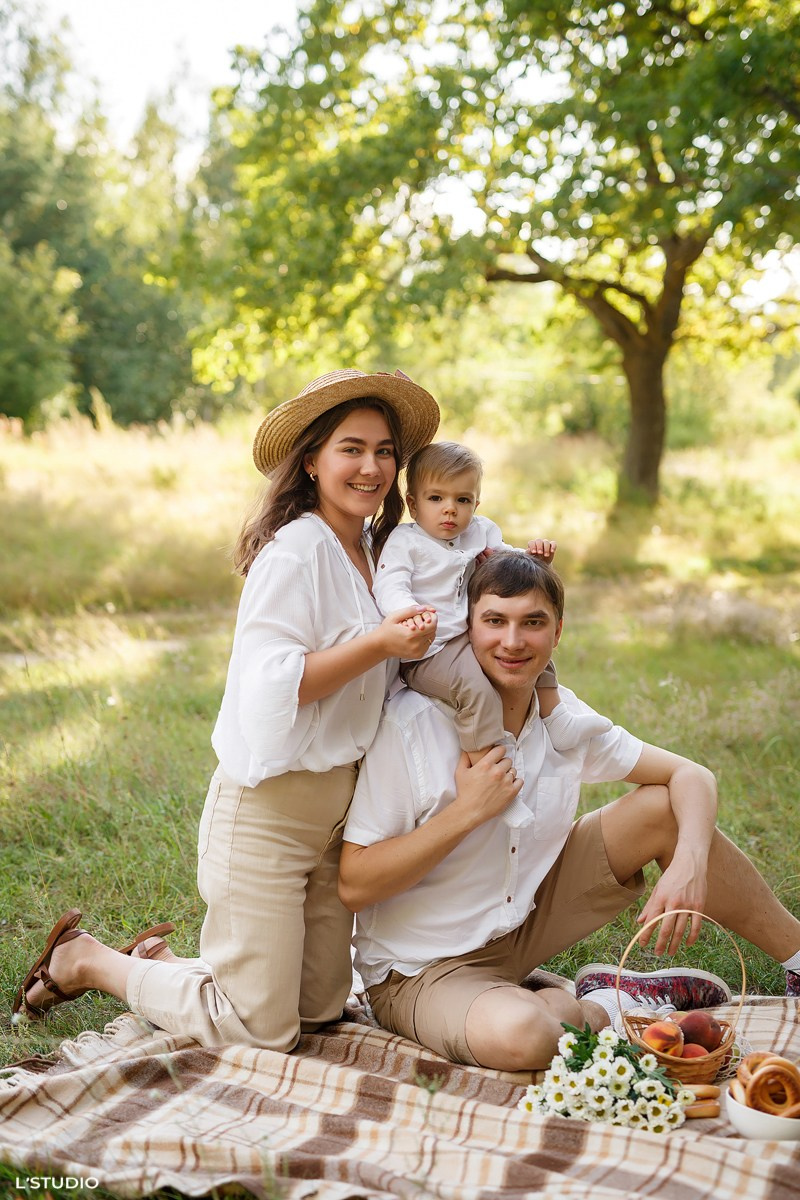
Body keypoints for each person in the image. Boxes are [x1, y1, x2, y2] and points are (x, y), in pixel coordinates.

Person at [13, 367, 442, 1052]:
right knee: (262, 1028)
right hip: (267, 812)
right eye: (351, 449)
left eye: (385, 451)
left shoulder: (369, 550)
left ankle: (165, 968)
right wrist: (380, 641)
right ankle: (89, 960)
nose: (371, 467)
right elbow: (272, 684)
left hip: (339, 814)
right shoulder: (296, 551)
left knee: (321, 1009)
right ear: (311, 461)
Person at [339, 552, 800, 1071]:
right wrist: (467, 811)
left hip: (525, 918)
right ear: (466, 628)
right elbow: (355, 883)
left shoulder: (560, 717)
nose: (512, 642)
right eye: (494, 621)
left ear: (557, 633)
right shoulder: (413, 726)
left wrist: (690, 859)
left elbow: (691, 776)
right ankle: (608, 1004)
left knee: (668, 810)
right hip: (421, 968)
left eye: (532, 623)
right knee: (528, 1037)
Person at [373, 440, 611, 760]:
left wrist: (534, 559)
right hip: (430, 647)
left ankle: (558, 719)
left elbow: (506, 565)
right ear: (413, 505)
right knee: (477, 690)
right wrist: (409, 612)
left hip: (470, 633)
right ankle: (485, 767)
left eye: (462, 499)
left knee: (533, 651)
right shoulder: (406, 541)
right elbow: (390, 583)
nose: (450, 509)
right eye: (436, 498)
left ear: (476, 503)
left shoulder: (479, 531)